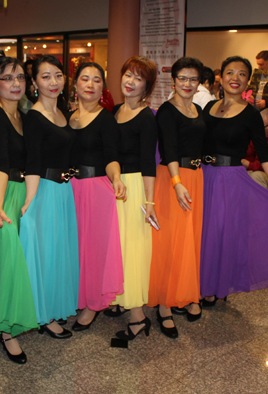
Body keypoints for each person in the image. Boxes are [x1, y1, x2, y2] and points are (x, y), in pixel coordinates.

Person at [200, 56, 268, 303]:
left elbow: (264, 153)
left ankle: (216, 287)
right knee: (203, 233)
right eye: (230, 72)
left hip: (230, 181)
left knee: (222, 233)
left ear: (247, 81)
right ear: (220, 78)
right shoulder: (207, 108)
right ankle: (198, 282)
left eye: (241, 74)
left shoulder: (252, 114)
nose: (235, 78)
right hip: (203, 176)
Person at [0, 57, 39, 364]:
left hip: (17, 193)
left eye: (20, 77)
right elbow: (0, 162)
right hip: (0, 191)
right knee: (8, 264)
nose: (15, 83)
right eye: (7, 78)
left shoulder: (24, 116)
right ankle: (7, 331)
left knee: (11, 263)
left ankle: (1, 321)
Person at [19, 55, 79, 339]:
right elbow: (32, 161)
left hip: (64, 191)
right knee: (45, 255)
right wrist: (31, 201)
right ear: (34, 82)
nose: (53, 82)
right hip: (43, 189)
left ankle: (54, 308)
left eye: (57, 75)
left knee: (58, 254)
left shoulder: (63, 111)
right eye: (45, 76)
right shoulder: (33, 116)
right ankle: (43, 316)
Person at [147, 57, 206, 339]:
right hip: (174, 180)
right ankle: (163, 304)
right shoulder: (167, 112)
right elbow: (168, 148)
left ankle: (184, 293)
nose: (187, 83)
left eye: (192, 79)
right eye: (182, 78)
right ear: (174, 81)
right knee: (169, 241)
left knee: (189, 240)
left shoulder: (198, 109)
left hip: (194, 178)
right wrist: (177, 182)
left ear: (199, 83)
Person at [68, 62, 126, 331]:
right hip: (69, 189)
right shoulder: (65, 116)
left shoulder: (106, 118)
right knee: (74, 248)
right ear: (75, 84)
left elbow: (112, 156)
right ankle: (75, 297)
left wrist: (116, 178)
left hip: (96, 190)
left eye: (96, 80)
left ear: (102, 87)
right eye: (84, 79)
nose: (90, 84)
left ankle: (92, 305)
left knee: (94, 250)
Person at [106, 56, 158, 341]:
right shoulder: (115, 110)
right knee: (117, 246)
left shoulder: (147, 117)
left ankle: (138, 317)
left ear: (146, 86)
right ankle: (116, 298)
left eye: (138, 78)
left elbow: (149, 163)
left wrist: (149, 203)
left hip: (136, 186)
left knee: (133, 249)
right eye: (128, 74)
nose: (130, 81)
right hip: (114, 186)